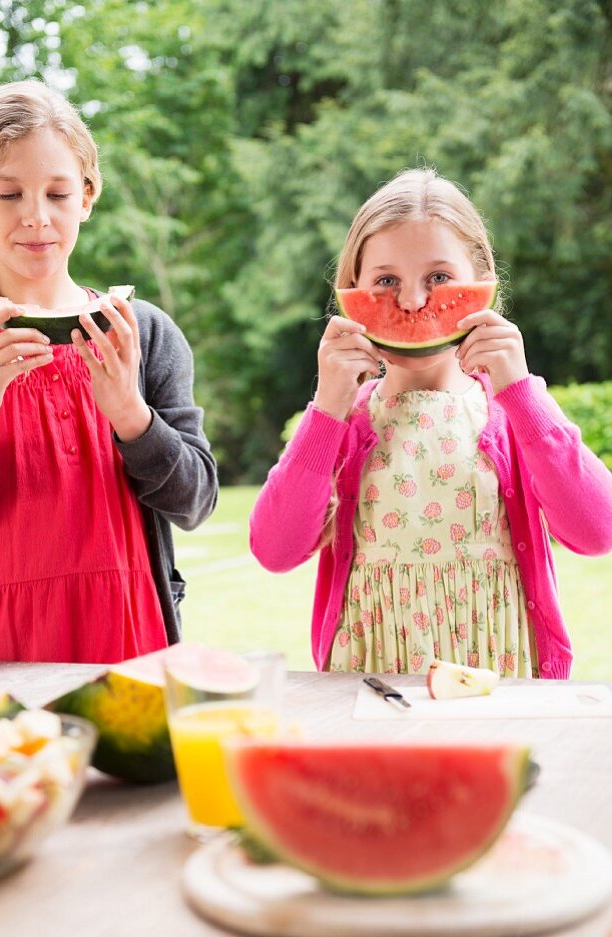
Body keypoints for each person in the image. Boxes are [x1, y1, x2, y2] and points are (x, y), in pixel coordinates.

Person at [0, 80, 217, 663]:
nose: (37, 217)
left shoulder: (143, 331)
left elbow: (195, 501)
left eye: (57, 193)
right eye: (9, 195)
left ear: (87, 196)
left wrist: (133, 417)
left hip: (127, 639)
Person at [250, 168, 612, 678]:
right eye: (386, 282)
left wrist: (523, 393)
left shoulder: (512, 416)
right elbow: (274, 550)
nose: (414, 302)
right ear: (352, 294)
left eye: (439, 278)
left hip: (499, 682)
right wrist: (327, 406)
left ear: (481, 281)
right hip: (371, 682)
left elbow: (598, 531)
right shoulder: (344, 424)